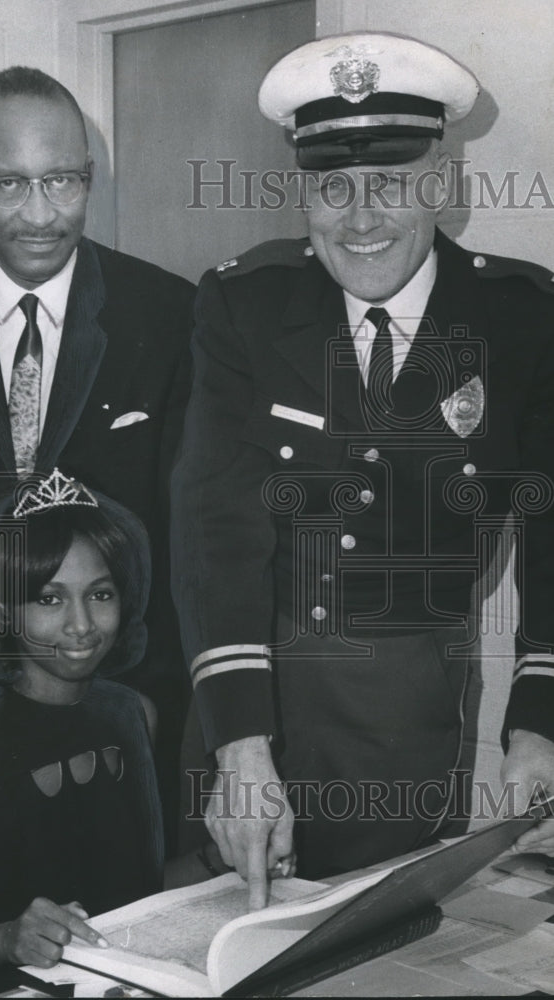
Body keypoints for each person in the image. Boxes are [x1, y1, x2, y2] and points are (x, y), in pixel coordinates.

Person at [172, 32, 554, 908]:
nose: (360, 217)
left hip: (406, 720)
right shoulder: (244, 304)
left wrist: (537, 728)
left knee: (375, 937)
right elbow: (214, 524)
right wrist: (240, 746)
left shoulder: (523, 319)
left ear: (443, 185)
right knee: (224, 932)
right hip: (250, 698)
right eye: (331, 186)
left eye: (391, 182)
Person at [0, 66, 194, 850]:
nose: (40, 214)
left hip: (108, 701)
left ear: (90, 177)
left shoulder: (169, 313)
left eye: (62, 181)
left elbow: (184, 537)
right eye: (8, 184)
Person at [0, 468, 163, 994]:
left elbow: (137, 895)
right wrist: (2, 940)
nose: (81, 625)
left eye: (100, 594)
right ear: (3, 607)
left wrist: (224, 857)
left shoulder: (135, 713)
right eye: (49, 598)